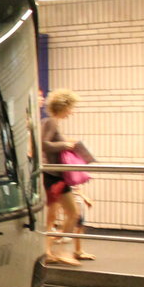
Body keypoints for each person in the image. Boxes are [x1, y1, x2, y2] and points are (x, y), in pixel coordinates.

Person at [42, 88, 82, 265]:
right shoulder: (51, 122)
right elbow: (45, 144)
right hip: (54, 175)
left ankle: (50, 251)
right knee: (71, 213)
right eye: (70, 108)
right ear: (64, 106)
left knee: (55, 216)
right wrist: (65, 144)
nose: (71, 112)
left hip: (54, 175)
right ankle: (57, 251)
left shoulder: (50, 122)